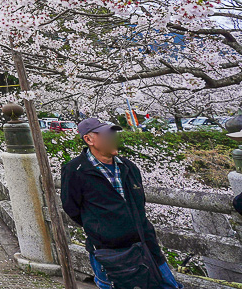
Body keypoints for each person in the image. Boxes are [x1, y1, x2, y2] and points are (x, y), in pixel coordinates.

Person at [61, 117, 182, 289]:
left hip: (145, 245)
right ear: (89, 139)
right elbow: (71, 207)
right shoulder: (75, 170)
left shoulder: (128, 167)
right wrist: (100, 228)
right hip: (107, 251)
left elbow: (139, 204)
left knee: (168, 285)